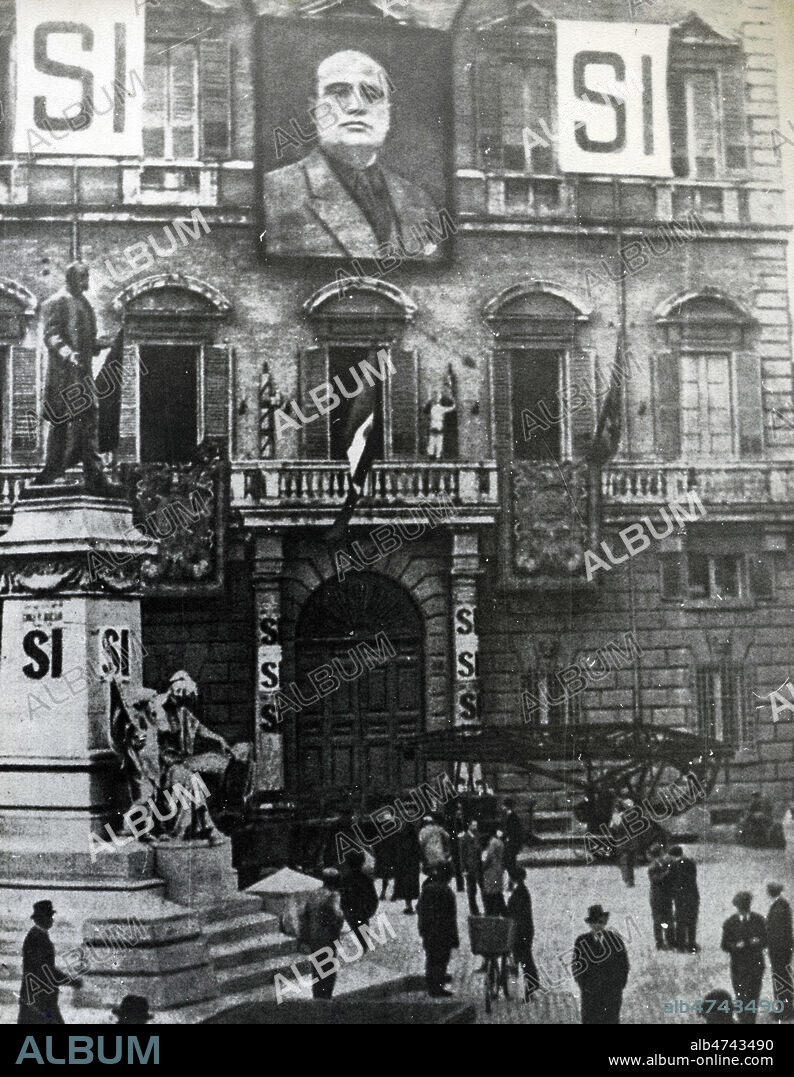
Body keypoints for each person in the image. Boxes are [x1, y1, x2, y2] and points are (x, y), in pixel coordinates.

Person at [261, 51, 442, 261]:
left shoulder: (419, 201)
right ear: (314, 108)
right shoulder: (273, 192)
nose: (356, 107)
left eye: (372, 95)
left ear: (387, 112)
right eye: (339, 93)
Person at [33, 262, 113, 494]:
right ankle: (52, 471)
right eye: (81, 276)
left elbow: (88, 341)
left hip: (83, 376)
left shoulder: (85, 305)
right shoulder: (59, 301)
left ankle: (95, 475)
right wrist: (68, 353)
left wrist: (101, 344)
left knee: (88, 421)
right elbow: (51, 335)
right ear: (70, 278)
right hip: (64, 375)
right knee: (61, 422)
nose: (86, 280)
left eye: (87, 276)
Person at [18, 900, 82, 1024]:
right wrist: (70, 981)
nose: (52, 920)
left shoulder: (37, 936)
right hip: (39, 999)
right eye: (49, 916)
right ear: (41, 919)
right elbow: (45, 969)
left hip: (38, 997)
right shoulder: (37, 938)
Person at [573, 904, 629, 1024]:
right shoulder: (582, 941)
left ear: (604, 922)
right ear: (589, 924)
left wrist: (618, 986)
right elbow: (576, 966)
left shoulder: (615, 940)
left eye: (599, 922)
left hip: (611, 994)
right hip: (590, 995)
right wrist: (584, 986)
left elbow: (623, 964)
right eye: (593, 923)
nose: (597, 926)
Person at [298, 868, 345, 1000]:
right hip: (328, 937)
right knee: (329, 969)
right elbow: (338, 914)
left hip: (314, 936)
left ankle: (317, 995)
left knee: (317, 968)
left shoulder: (314, 893)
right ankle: (326, 996)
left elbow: (304, 915)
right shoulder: (333, 895)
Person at [721, 891, 767, 1025]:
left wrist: (757, 941)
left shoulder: (759, 920)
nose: (743, 910)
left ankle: (750, 1020)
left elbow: (766, 940)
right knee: (741, 995)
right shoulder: (730, 923)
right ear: (737, 907)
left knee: (753, 995)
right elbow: (724, 945)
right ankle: (743, 1020)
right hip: (738, 966)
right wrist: (735, 946)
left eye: (745, 907)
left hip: (756, 965)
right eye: (741, 908)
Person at [417, 862, 459, 997]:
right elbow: (451, 917)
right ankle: (437, 988)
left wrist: (422, 928)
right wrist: (454, 937)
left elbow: (420, 908)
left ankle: (432, 985)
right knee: (441, 960)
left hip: (428, 930)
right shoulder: (447, 892)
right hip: (443, 932)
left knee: (431, 958)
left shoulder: (427, 889)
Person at [506, 867, 540, 1001]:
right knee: (526, 959)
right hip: (526, 930)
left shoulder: (518, 894)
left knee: (523, 960)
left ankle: (529, 990)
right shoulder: (523, 891)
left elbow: (514, 912)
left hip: (520, 931)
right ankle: (531, 988)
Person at [339, 849, 379, 950]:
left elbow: (342, 896)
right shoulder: (366, 879)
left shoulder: (345, 879)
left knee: (355, 927)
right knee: (363, 928)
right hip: (363, 910)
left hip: (351, 911)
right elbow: (373, 897)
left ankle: (362, 944)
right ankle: (364, 945)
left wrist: (343, 909)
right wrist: (370, 910)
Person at [766, 882, 793, 1020]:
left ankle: (785, 1010)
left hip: (779, 950)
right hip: (784, 949)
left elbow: (775, 932)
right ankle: (786, 1008)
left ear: (770, 892)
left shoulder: (778, 907)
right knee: (783, 977)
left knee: (780, 978)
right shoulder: (782, 904)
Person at [669, 845, 700, 953]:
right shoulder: (691, 863)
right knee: (692, 920)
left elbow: (673, 881)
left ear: (673, 855)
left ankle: (681, 945)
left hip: (681, 897)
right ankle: (692, 943)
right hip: (693, 895)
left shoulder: (674, 865)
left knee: (681, 921)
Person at [648, 844, 673, 950]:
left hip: (665, 896)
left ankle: (669, 940)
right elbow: (655, 879)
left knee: (668, 919)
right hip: (657, 897)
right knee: (659, 920)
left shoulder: (664, 864)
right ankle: (660, 942)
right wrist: (666, 873)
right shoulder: (653, 866)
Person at [393, 820, 421, 915]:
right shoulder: (414, 839)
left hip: (403, 866)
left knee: (406, 887)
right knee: (412, 886)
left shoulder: (400, 838)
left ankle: (408, 905)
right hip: (413, 866)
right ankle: (412, 905)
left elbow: (397, 852)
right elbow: (419, 851)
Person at [460, 818, 483, 916]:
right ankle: (474, 910)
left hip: (479, 866)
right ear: (469, 826)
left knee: (483, 887)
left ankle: (486, 907)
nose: (475, 827)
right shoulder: (464, 838)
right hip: (470, 867)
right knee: (472, 891)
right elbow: (462, 855)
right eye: (473, 825)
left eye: (476, 825)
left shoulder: (478, 835)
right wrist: (464, 869)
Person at [482, 829, 507, 916]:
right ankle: (501, 910)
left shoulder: (492, 843)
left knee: (491, 891)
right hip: (499, 868)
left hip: (491, 870)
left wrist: (483, 867)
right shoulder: (500, 843)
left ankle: (492, 912)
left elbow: (490, 857)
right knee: (497, 890)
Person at [424, 393, 456, 460]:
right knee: (439, 440)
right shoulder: (441, 408)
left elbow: (426, 411)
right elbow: (451, 408)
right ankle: (438, 455)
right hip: (439, 424)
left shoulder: (432, 408)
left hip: (433, 423)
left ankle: (431, 453)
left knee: (432, 440)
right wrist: (454, 402)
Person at [502, 799, 523, 885]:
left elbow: (514, 831)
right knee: (511, 863)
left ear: (507, 807)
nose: (502, 807)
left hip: (512, 844)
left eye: (503, 805)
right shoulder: (509, 816)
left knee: (509, 863)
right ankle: (512, 882)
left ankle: (514, 880)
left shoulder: (512, 817)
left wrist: (506, 837)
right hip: (511, 843)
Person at [450, 803, 466, 894]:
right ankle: (460, 886)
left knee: (458, 866)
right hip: (458, 845)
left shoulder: (457, 820)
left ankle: (460, 886)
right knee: (458, 866)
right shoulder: (458, 820)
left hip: (457, 845)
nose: (460, 812)